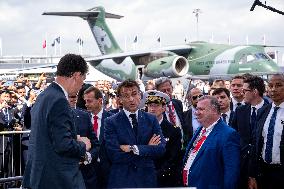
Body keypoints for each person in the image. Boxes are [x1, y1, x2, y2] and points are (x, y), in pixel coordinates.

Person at [22, 54, 91, 189]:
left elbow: (48, 135)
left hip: (40, 177)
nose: (81, 85)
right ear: (76, 75)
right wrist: (83, 145)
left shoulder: (44, 95)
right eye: (83, 80)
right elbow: (63, 145)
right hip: (58, 179)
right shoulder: (59, 100)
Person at [104, 79, 166, 188]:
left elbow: (160, 149)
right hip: (122, 181)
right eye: (126, 96)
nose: (131, 99)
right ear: (120, 99)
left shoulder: (151, 120)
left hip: (146, 180)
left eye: (134, 94)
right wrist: (147, 148)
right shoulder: (111, 122)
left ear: (140, 96)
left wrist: (133, 148)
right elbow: (114, 155)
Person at [183, 95, 240, 189]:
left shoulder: (228, 134)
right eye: (196, 109)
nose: (197, 113)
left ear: (214, 110)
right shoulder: (200, 129)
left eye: (201, 109)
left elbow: (231, 172)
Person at [231, 75, 268, 189]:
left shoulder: (270, 110)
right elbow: (234, 135)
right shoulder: (240, 110)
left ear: (255, 91)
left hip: (264, 169)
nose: (242, 93)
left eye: (244, 90)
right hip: (243, 166)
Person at [249, 74, 284, 189]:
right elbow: (256, 143)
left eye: (278, 85)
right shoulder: (263, 111)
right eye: (270, 85)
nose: (273, 89)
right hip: (263, 172)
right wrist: (252, 174)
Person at [145, 90, 182, 187]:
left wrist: (158, 174)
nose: (152, 109)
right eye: (150, 105)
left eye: (156, 105)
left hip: (164, 179)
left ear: (163, 108)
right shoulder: (140, 129)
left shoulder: (173, 131)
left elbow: (173, 158)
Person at [83, 86, 113, 188]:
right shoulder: (82, 119)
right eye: (85, 101)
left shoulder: (112, 119)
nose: (86, 104)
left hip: (108, 171)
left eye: (89, 101)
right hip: (88, 171)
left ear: (100, 101)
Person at [68, 94, 99, 189]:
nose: (73, 98)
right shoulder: (51, 116)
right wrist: (78, 141)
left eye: (74, 96)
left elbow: (95, 145)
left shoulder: (84, 116)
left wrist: (87, 157)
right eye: (69, 96)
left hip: (85, 176)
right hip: (62, 176)